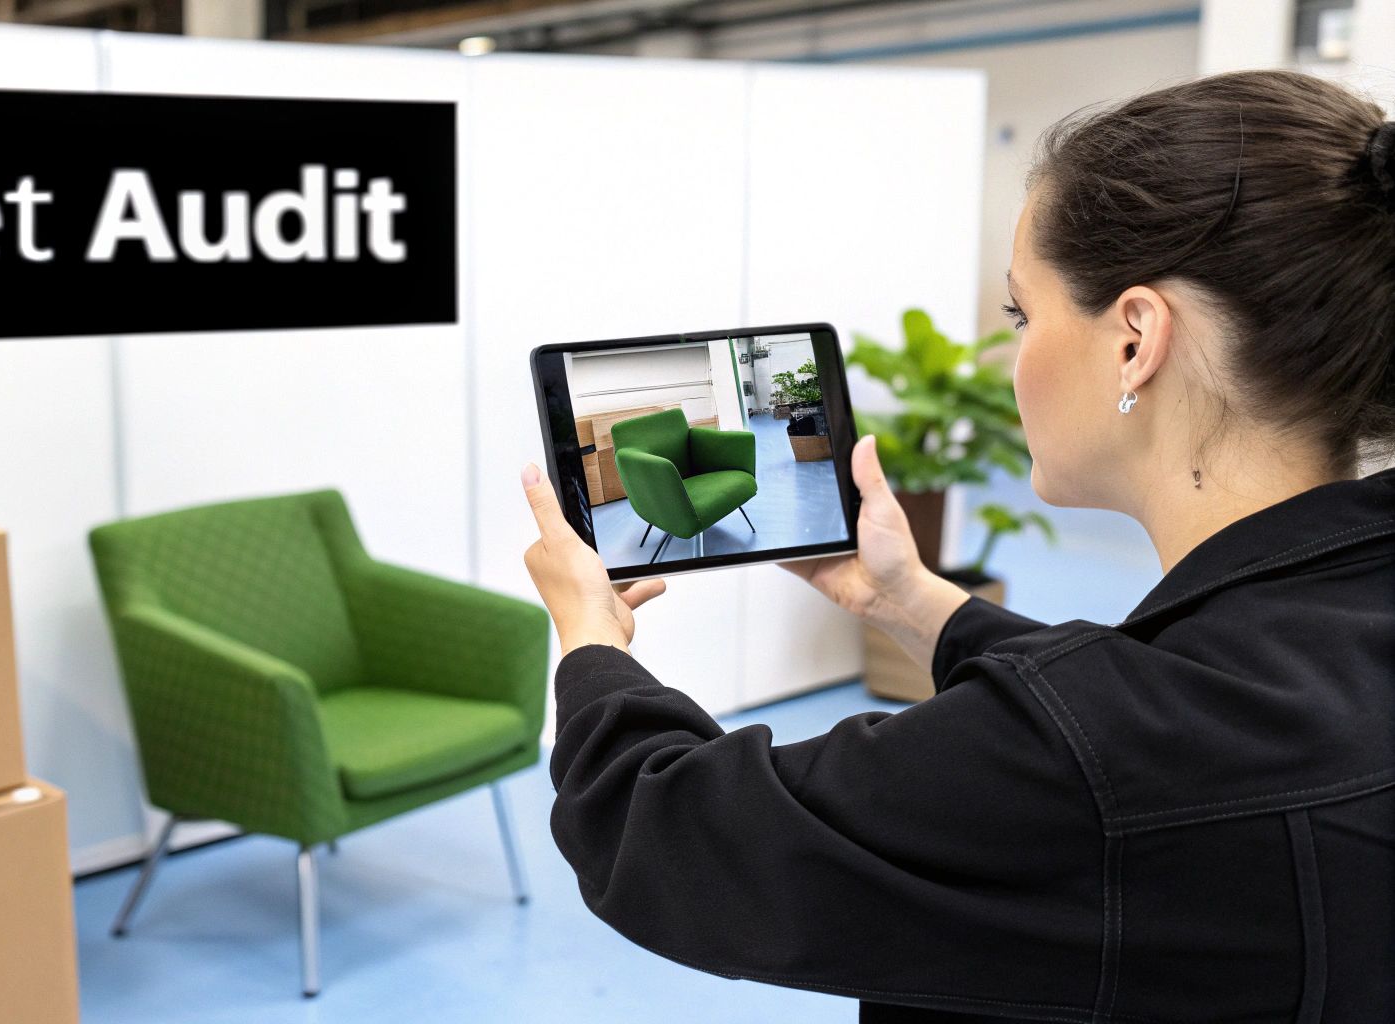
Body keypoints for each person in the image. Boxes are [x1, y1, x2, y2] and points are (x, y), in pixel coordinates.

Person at [520, 69, 1395, 1023]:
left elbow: (664, 834)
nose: (1015, 355)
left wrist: (590, 641)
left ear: (1136, 338)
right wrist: (904, 596)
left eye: (1024, 313)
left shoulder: (1101, 752)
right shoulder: (1322, 639)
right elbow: (1132, 711)